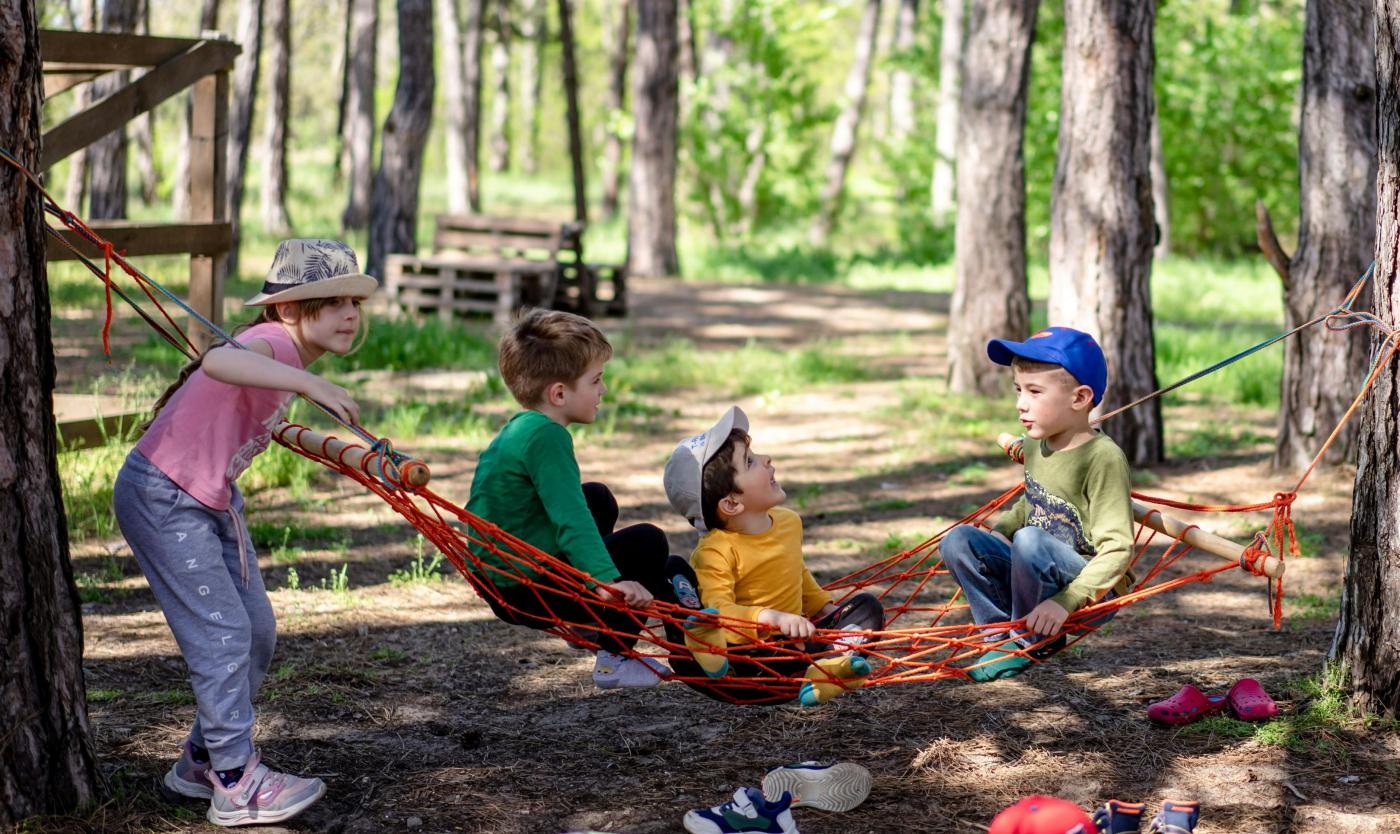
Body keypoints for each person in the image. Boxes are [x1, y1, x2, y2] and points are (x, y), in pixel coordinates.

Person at [114, 239, 373, 826]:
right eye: (333, 303)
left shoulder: (286, 355)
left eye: (354, 301)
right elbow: (219, 361)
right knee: (225, 634)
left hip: (209, 499)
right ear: (288, 310)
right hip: (165, 496)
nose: (351, 314)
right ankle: (235, 782)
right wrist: (307, 386)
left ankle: (200, 763)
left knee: (254, 631)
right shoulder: (273, 342)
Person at [465, 309, 677, 689]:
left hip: (501, 576)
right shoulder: (548, 438)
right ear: (559, 393)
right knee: (648, 541)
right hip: (528, 589)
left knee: (598, 497)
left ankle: (588, 619)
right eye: (595, 380)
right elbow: (570, 518)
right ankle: (615, 655)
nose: (603, 390)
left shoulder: (523, 427)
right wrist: (608, 584)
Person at [938, 327, 1136, 682]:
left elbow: (1118, 550)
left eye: (1034, 391)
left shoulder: (1103, 458)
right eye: (1018, 390)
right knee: (958, 540)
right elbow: (1033, 501)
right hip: (1035, 570)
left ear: (1080, 398)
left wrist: (1065, 601)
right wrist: (998, 535)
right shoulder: (1036, 443)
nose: (1020, 404)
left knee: (1029, 540)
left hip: (1090, 593)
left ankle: (1026, 642)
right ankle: (999, 638)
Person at [662, 406, 885, 706]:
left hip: (799, 650)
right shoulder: (716, 550)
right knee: (672, 571)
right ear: (731, 503)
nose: (766, 459)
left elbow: (796, 571)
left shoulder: (788, 522)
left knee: (866, 608)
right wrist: (772, 619)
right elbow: (720, 613)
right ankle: (822, 668)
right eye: (750, 462)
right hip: (749, 665)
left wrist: (823, 608)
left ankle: (828, 669)